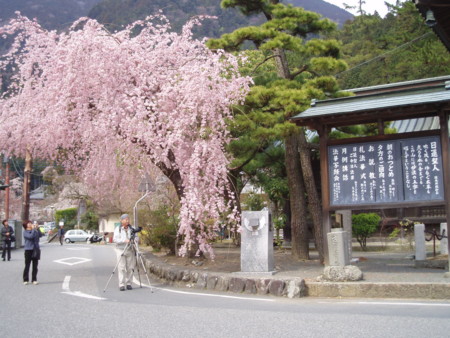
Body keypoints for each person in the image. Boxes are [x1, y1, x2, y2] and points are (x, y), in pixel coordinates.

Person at [113, 214, 137, 291]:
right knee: (121, 267)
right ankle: (121, 284)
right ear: (121, 220)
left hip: (130, 249)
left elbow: (136, 237)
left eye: (128, 219)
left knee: (130, 267)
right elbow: (115, 239)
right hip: (121, 249)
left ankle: (129, 283)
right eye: (125, 219)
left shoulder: (131, 228)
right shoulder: (118, 229)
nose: (127, 221)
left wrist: (135, 240)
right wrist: (124, 240)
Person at [23, 220, 43, 285]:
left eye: (30, 223)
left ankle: (34, 279)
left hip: (35, 249)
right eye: (28, 223)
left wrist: (38, 228)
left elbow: (40, 235)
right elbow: (30, 237)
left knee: (35, 266)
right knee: (27, 265)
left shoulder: (35, 231)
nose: (30, 224)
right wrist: (34, 229)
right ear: (25, 225)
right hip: (28, 250)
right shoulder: (25, 232)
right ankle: (25, 279)